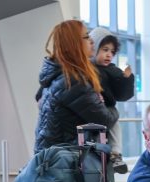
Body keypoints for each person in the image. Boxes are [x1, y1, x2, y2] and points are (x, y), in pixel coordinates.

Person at [34, 19, 118, 152]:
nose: (91, 41)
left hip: (53, 156)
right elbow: (105, 120)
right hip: (65, 159)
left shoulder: (59, 76)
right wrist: (112, 108)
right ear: (74, 43)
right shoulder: (73, 81)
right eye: (86, 37)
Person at [88, 27, 135, 174]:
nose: (109, 55)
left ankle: (116, 155)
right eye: (105, 50)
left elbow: (123, 95)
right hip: (93, 109)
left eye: (112, 52)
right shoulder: (85, 69)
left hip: (107, 110)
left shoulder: (113, 71)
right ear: (93, 47)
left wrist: (127, 79)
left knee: (114, 126)